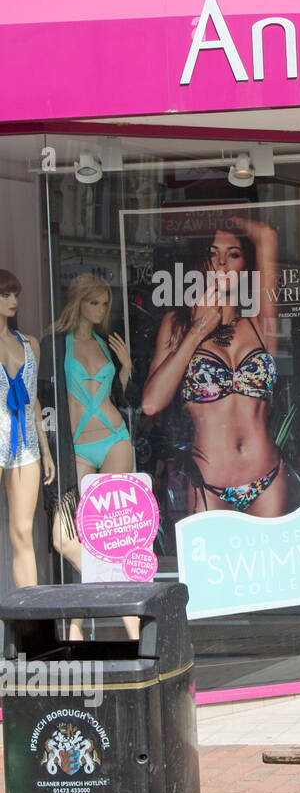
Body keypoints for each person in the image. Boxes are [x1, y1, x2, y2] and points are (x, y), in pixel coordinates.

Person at [141, 214, 284, 516]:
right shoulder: (178, 325)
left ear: (245, 267)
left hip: (267, 476)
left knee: (270, 564)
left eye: (233, 254)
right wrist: (197, 332)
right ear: (199, 262)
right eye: (212, 254)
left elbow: (267, 235)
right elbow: (151, 404)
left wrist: (220, 212)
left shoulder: (259, 325)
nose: (221, 263)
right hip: (208, 482)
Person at [38, 273, 141, 638]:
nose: (100, 310)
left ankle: (128, 629)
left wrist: (126, 368)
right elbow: (43, 401)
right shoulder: (54, 345)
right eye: (93, 302)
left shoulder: (109, 344)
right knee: (65, 538)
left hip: (115, 440)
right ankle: (88, 616)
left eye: (104, 304)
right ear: (78, 301)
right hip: (76, 447)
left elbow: (123, 398)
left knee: (119, 538)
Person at [0, 270, 55, 586]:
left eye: (16, 295)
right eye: (5, 295)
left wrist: (45, 450)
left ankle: (31, 621)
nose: (13, 301)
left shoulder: (30, 344)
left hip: (27, 444)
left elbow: (33, 401)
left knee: (23, 532)